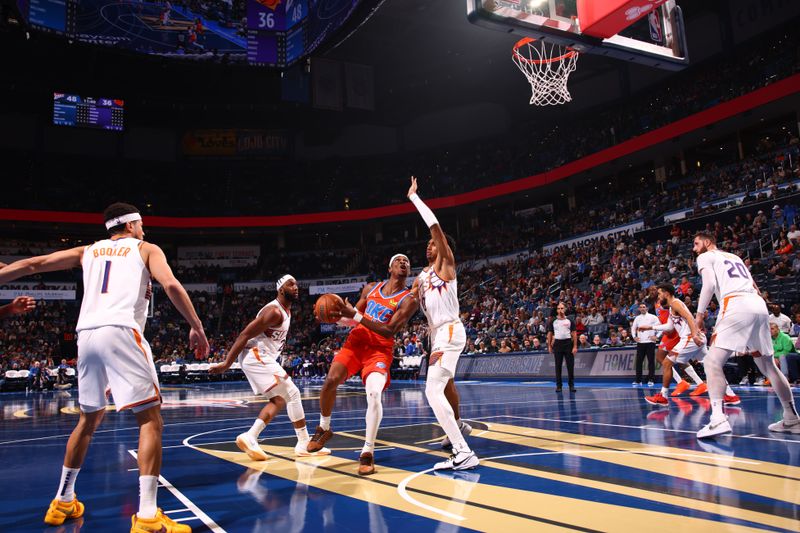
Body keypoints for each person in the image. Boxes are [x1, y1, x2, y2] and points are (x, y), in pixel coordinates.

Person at [0, 202, 209, 532]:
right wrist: (196, 325)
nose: (144, 230)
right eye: (141, 224)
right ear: (129, 226)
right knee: (150, 419)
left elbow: (34, 264)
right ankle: (148, 515)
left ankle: (63, 501)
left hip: (87, 337)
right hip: (121, 331)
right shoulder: (146, 249)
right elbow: (170, 285)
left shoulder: (88, 251)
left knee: (88, 420)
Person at [307, 254, 418, 475]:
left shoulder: (408, 300)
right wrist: (332, 317)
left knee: (374, 394)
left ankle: (367, 451)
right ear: (389, 267)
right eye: (398, 260)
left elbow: (388, 330)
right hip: (356, 343)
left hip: (379, 350)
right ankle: (324, 428)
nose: (403, 263)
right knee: (330, 381)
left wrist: (356, 317)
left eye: (407, 261)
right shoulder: (370, 289)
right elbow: (350, 318)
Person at [210, 275, 330, 459]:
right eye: (291, 284)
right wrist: (227, 363)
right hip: (255, 355)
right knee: (293, 393)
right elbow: (244, 335)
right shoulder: (274, 311)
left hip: (259, 357)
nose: (296, 287)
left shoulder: (286, 311)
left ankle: (251, 436)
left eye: (297, 284)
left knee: (279, 400)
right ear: (281, 289)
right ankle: (303, 442)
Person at [692, 231, 798, 437]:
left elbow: (709, 285)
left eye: (696, 244)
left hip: (736, 303)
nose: (694, 249)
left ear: (706, 242)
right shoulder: (735, 257)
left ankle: (717, 419)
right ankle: (792, 418)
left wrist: (699, 315)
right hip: (757, 305)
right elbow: (756, 288)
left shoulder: (705, 256)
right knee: (768, 366)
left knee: (711, 362)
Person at [407, 176, 478, 471]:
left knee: (432, 390)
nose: (429, 247)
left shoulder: (446, 264)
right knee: (444, 384)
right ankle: (458, 429)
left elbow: (434, 227)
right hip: (437, 335)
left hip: (449, 330)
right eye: (426, 245)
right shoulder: (421, 278)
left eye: (433, 245)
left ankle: (463, 451)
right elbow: (403, 305)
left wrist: (414, 198)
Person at [547, 303, 577, 392]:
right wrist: (549, 345)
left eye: (562, 308)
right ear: (557, 310)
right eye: (559, 308)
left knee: (570, 366)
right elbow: (550, 334)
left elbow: (574, 334)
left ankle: (571, 385)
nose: (560, 310)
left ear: (565, 309)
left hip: (568, 344)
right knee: (558, 366)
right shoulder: (553, 321)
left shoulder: (570, 320)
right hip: (557, 344)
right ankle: (559, 386)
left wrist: (575, 346)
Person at [631, 303, 658, 386]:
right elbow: (633, 328)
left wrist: (656, 336)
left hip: (650, 342)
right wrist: (634, 337)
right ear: (639, 309)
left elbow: (660, 327)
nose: (642, 308)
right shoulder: (637, 318)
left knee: (651, 362)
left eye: (644, 307)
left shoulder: (653, 317)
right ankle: (638, 380)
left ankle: (651, 379)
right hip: (640, 343)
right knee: (639, 362)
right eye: (641, 307)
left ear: (647, 308)